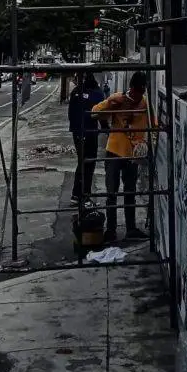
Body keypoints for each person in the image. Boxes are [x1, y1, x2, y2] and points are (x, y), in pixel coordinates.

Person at [92, 71, 153, 243]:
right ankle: (110, 231)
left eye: (141, 92)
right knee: (111, 192)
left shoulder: (144, 104)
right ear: (131, 87)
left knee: (130, 193)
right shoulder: (118, 99)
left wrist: (147, 144)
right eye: (136, 91)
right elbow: (95, 111)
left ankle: (131, 229)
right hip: (114, 151)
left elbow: (153, 124)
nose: (138, 95)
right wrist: (111, 103)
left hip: (132, 156)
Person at [68, 72, 103, 208]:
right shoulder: (96, 93)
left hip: (77, 132)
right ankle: (85, 196)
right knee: (89, 163)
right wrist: (105, 128)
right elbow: (102, 114)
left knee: (82, 162)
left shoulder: (76, 92)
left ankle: (76, 195)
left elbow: (70, 114)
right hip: (90, 133)